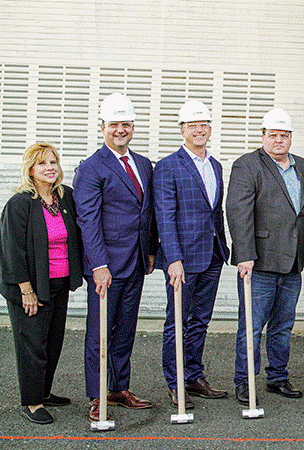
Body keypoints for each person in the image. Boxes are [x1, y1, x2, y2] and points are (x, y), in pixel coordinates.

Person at [73, 92, 158, 421]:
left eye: (126, 124)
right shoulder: (92, 168)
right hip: (107, 265)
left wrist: (150, 250)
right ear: (102, 127)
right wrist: (99, 265)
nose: (120, 130)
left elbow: (147, 212)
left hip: (135, 261)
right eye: (113, 125)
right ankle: (97, 395)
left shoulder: (143, 164)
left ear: (133, 127)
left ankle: (119, 387)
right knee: (100, 331)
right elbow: (88, 220)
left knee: (125, 329)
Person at [227, 108, 304, 404]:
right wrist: (245, 255)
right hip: (259, 262)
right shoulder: (247, 165)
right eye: (273, 135)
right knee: (251, 326)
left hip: (292, 264)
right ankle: (245, 380)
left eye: (284, 135)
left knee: (283, 325)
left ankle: (277, 375)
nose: (279, 140)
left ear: (291, 138)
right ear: (263, 135)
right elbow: (238, 212)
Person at [153, 100, 229, 409]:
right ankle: (175, 383)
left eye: (203, 125)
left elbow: (216, 212)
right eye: (192, 126)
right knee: (178, 321)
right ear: (182, 130)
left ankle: (193, 376)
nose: (199, 130)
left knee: (200, 320)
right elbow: (165, 216)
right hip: (183, 259)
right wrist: (173, 259)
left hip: (212, 254)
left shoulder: (215, 165)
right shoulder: (168, 166)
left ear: (210, 129)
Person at [0, 143, 83, 424]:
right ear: (30, 170)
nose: (50, 168)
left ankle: (44, 392)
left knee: (52, 343)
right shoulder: (20, 204)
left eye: (53, 162)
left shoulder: (64, 197)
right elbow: (12, 251)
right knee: (32, 345)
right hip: (31, 288)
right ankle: (32, 403)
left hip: (59, 284)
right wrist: (26, 290)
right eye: (42, 164)